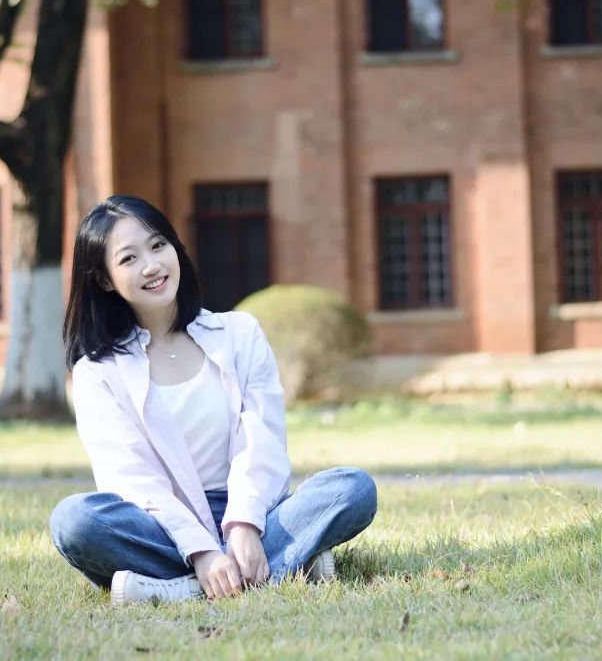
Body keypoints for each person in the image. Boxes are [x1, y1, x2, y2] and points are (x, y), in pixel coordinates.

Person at [49, 194, 377, 605]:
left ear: (176, 248)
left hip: (254, 509)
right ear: (104, 279)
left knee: (352, 489)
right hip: (160, 523)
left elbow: (261, 438)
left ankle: (181, 589)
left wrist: (245, 525)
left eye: (158, 245)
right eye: (129, 258)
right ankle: (280, 565)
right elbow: (131, 477)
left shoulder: (239, 334)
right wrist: (200, 551)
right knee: (74, 521)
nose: (151, 266)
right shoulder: (98, 371)